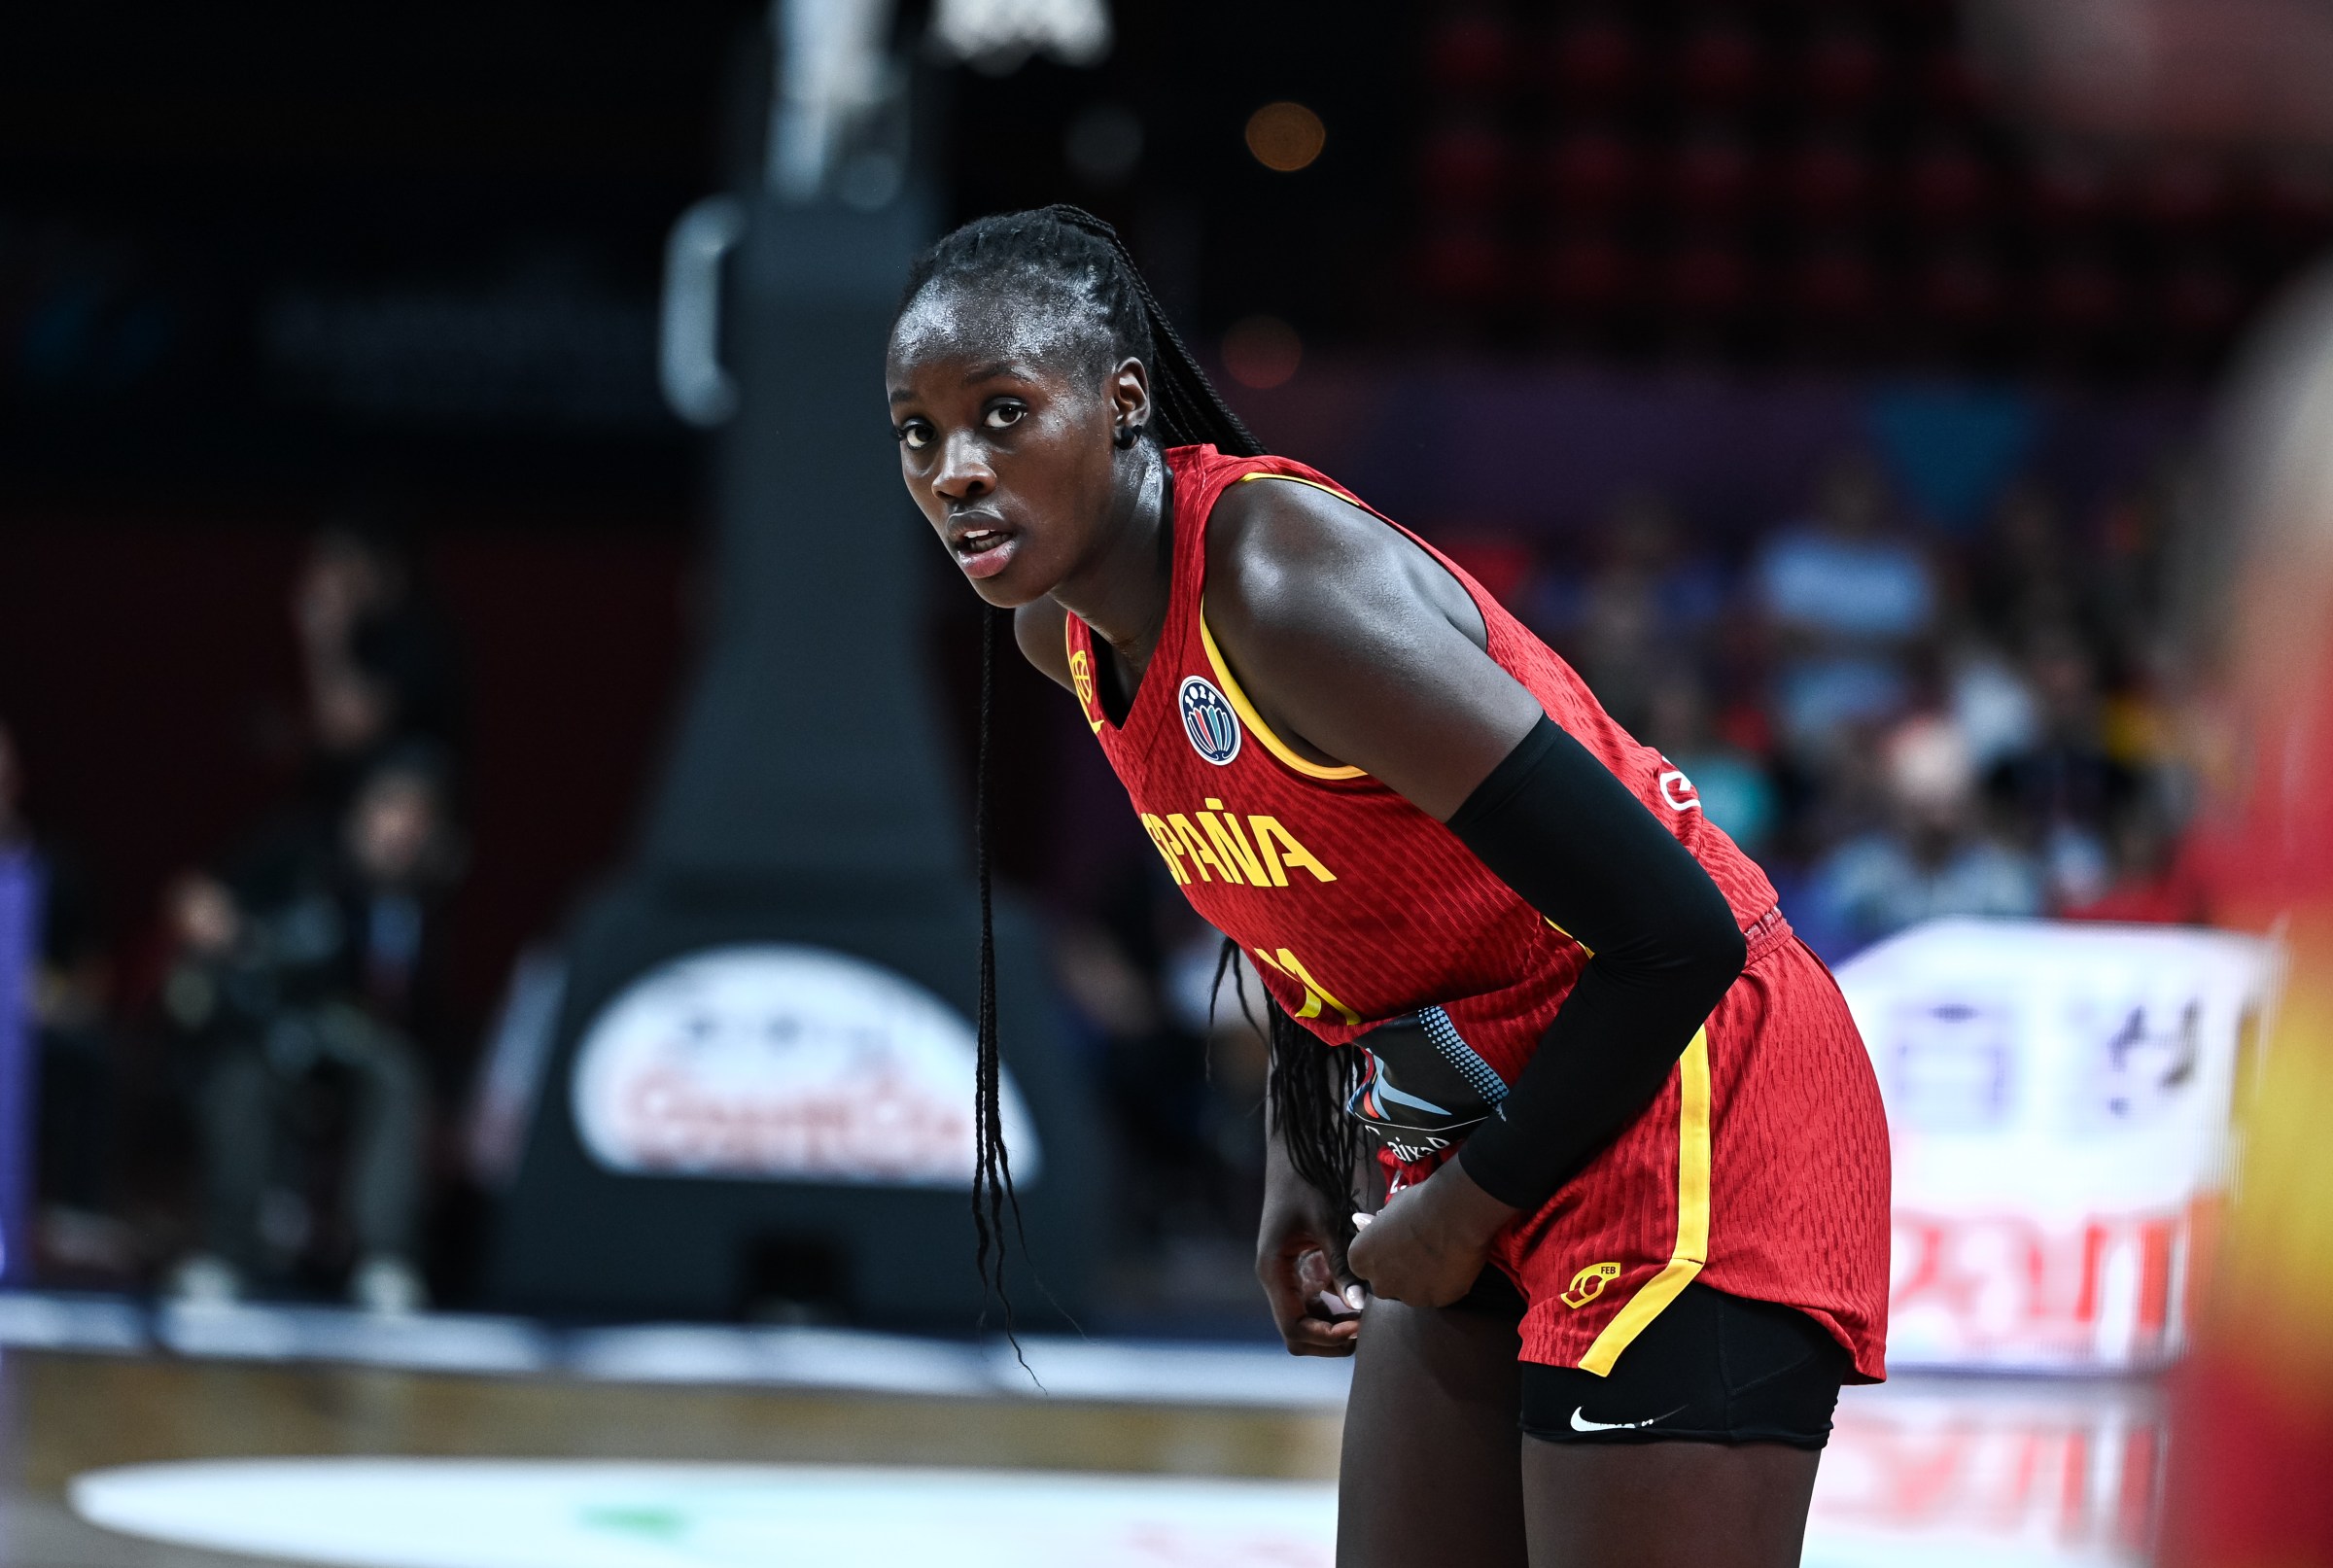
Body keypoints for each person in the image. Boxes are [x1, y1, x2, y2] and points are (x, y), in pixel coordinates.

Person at [884, 206, 1888, 1568]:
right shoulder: (1062, 638)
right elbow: (1307, 913)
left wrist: (1466, 1203)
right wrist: (1301, 1162)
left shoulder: (1279, 584)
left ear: (1122, 402)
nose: (956, 470)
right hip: (1498, 1117)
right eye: (920, 433)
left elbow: (1677, 932)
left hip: (1695, 1094)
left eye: (1003, 414)